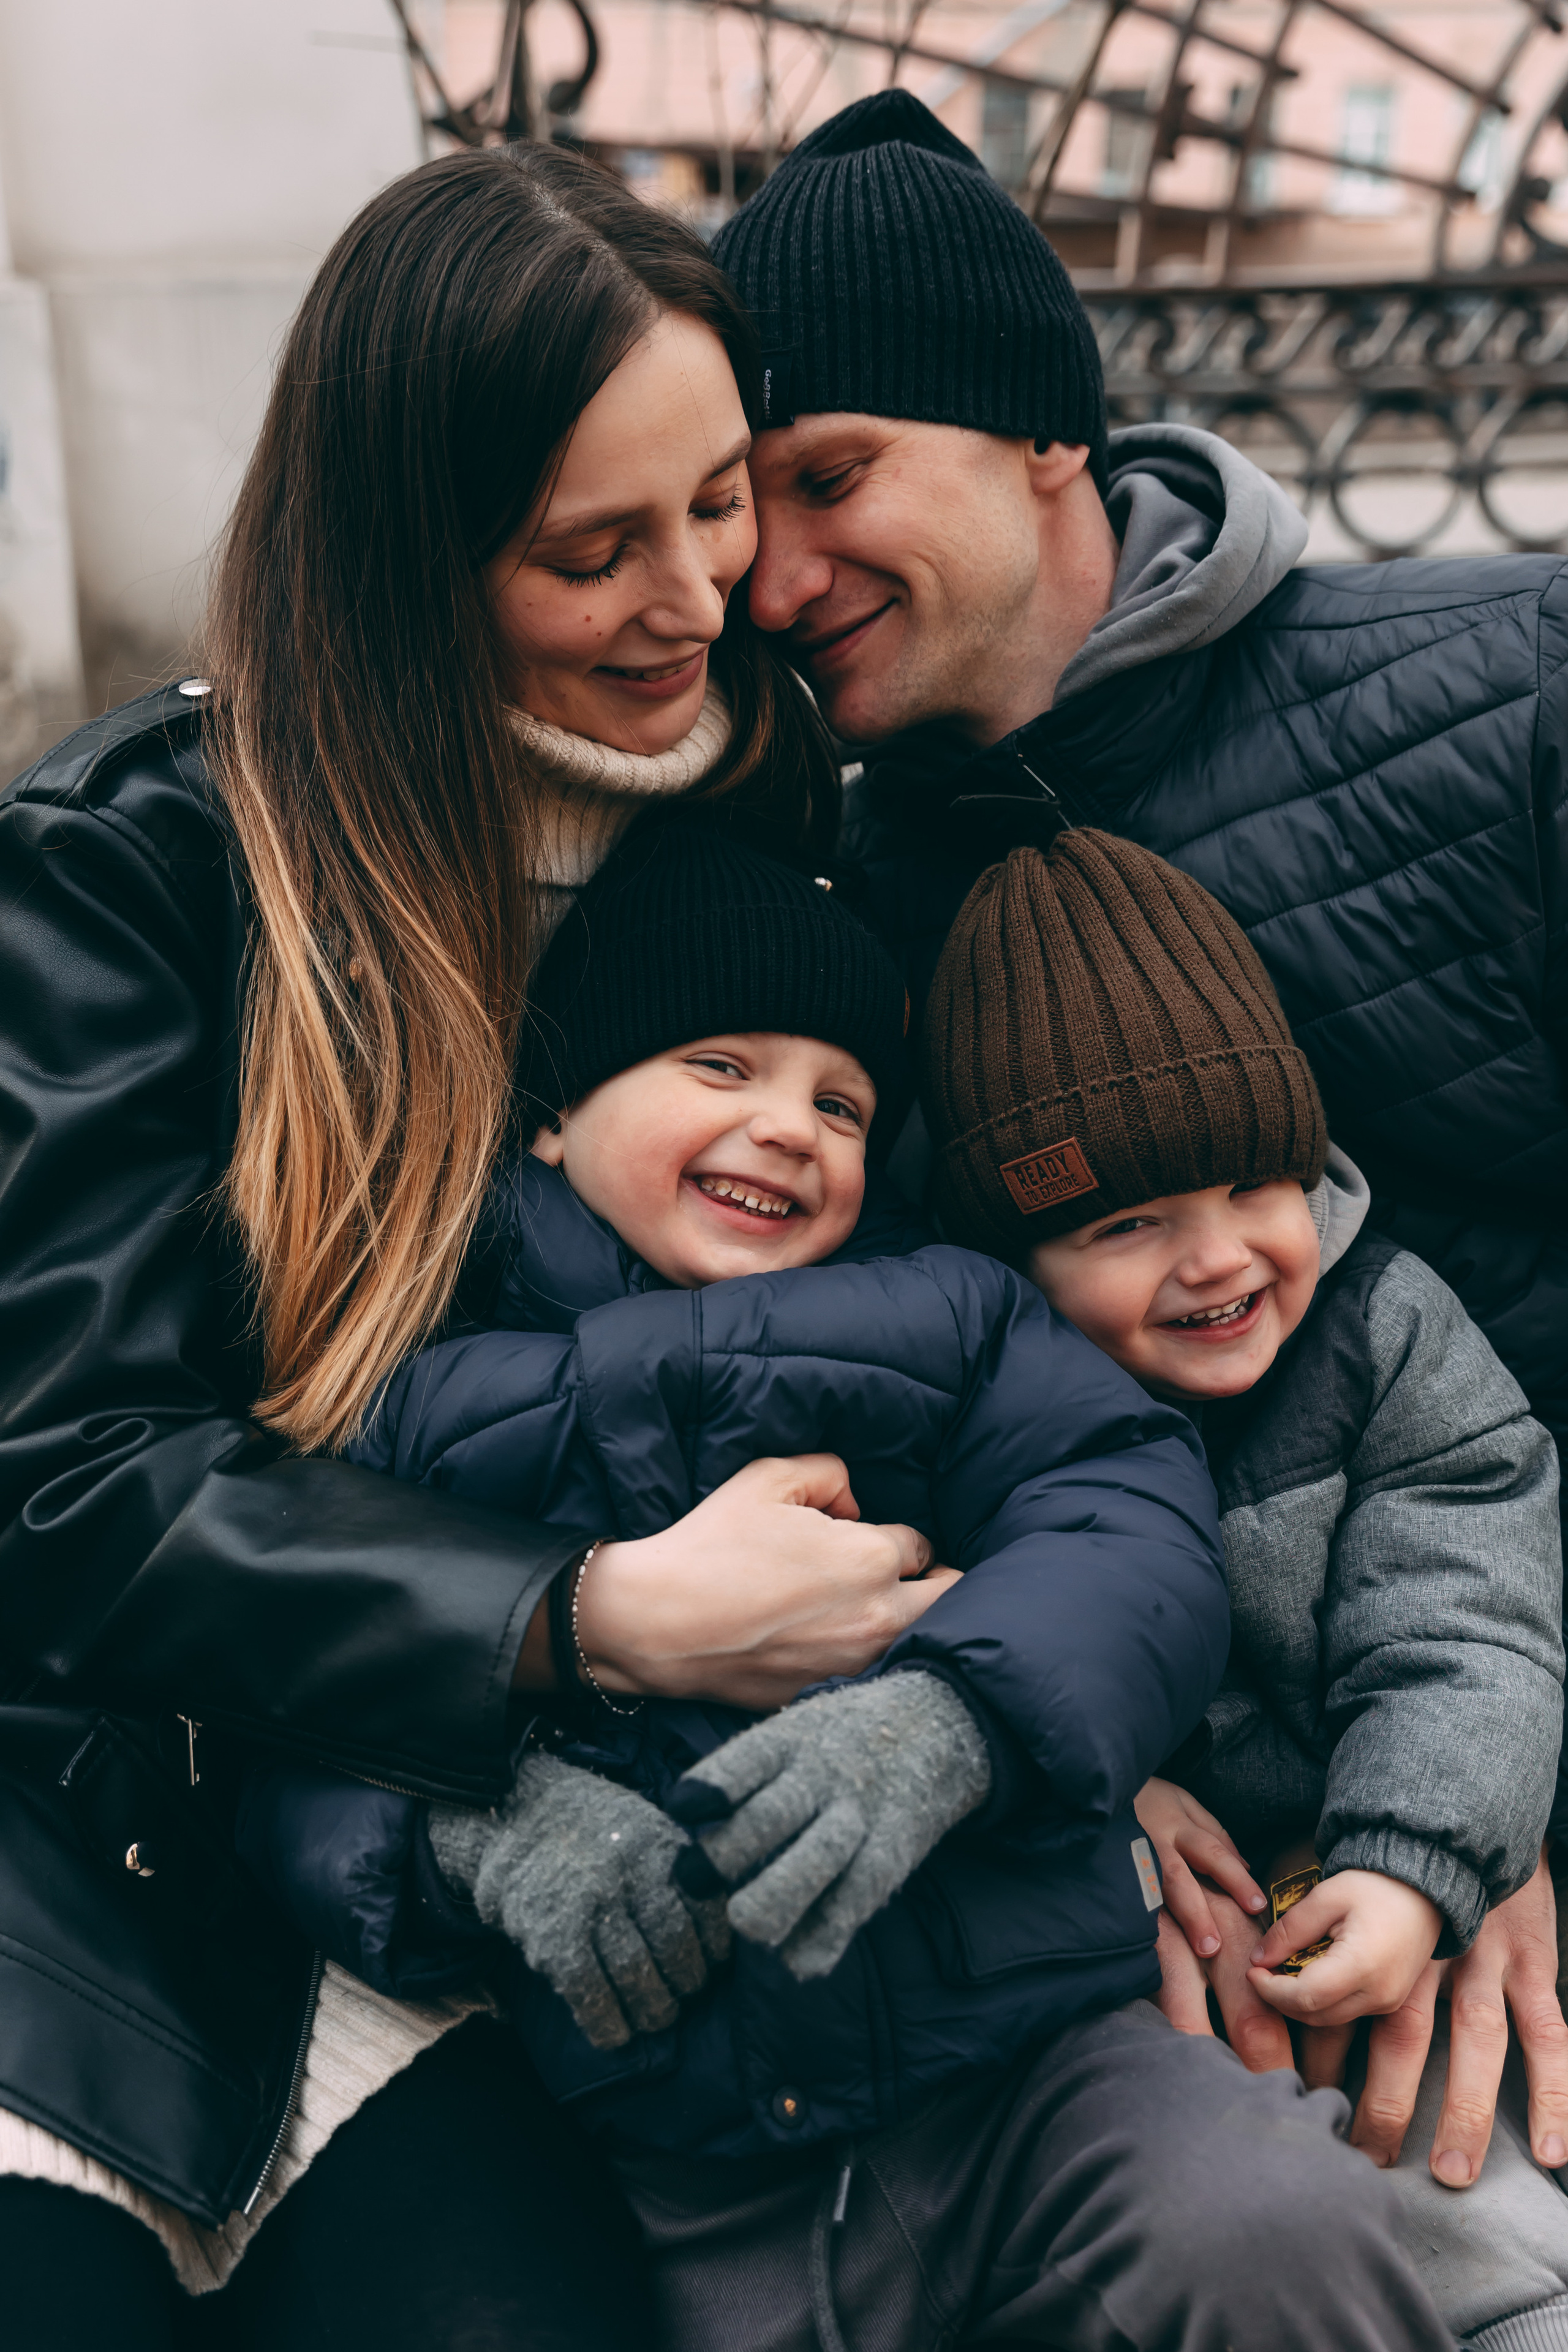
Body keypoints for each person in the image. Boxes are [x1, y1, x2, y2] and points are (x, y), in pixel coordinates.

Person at [0, 144, 957, 2349]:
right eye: (589, 551)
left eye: (720, 499)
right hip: (92, 1848)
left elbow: (947, 1337)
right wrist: (583, 1617)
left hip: (438, 1886)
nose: (700, 598)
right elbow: (63, 1478)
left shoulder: (775, 827)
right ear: (407, 565)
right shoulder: (129, 878)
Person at [239, 815, 1455, 2352]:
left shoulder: (947, 1318)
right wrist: (477, 1833)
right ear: (549, 1119)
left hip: (1040, 2070)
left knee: (1275, 2225)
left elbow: (1120, 1521)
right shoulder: (417, 1397)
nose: (792, 1125)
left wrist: (957, 1718)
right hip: (671, 2167)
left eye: (843, 1101)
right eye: (719, 1068)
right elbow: (316, 1706)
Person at [711, 83, 1568, 2193]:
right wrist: (1056, 1770)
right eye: (743, 520)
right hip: (1146, 1904)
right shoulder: (817, 916)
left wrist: (1500, 1810)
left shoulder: (1510, 698)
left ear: (1041, 431)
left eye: (829, 480)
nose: (779, 580)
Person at [921, 823, 1568, 2347]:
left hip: (1377, 1844)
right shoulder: (961, 1404)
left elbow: (1462, 1609)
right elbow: (948, 1615)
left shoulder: (1380, 1333)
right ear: (1012, 1258)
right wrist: (1098, 1782)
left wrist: (1417, 1858)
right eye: (1121, 1224)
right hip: (1129, 1942)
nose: (1215, 1260)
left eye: (1253, 1180)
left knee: (1483, 2178)